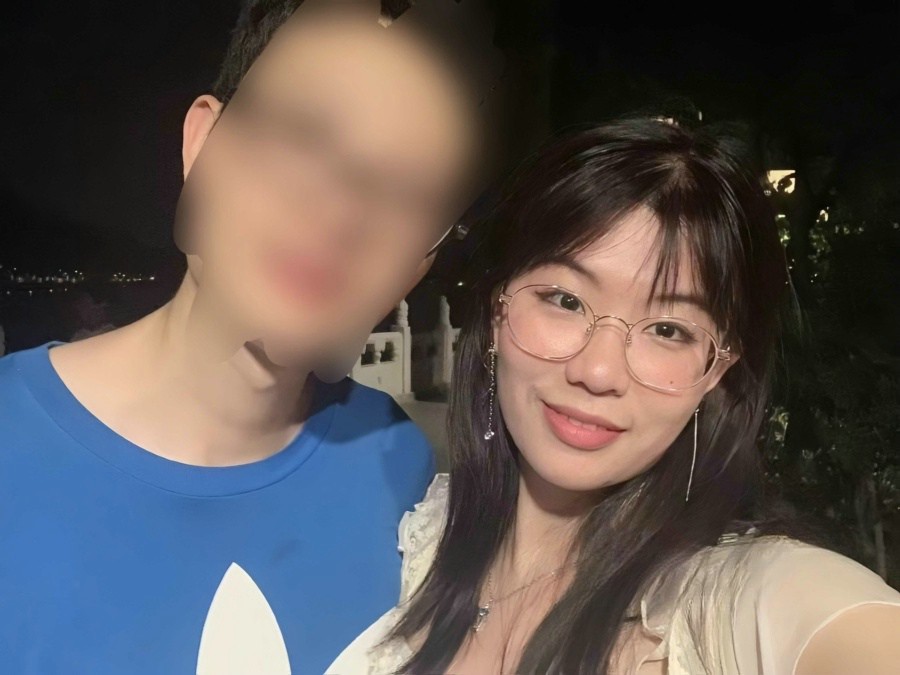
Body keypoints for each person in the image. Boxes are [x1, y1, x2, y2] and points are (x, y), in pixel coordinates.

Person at [0, 1, 501, 673]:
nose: (340, 211)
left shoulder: (396, 467)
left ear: (419, 264)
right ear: (202, 144)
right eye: (304, 134)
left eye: (404, 188)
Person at [329, 118, 900, 674]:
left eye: (668, 330)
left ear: (717, 370)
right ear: (497, 310)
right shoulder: (415, 535)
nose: (599, 371)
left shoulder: (727, 605)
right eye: (565, 300)